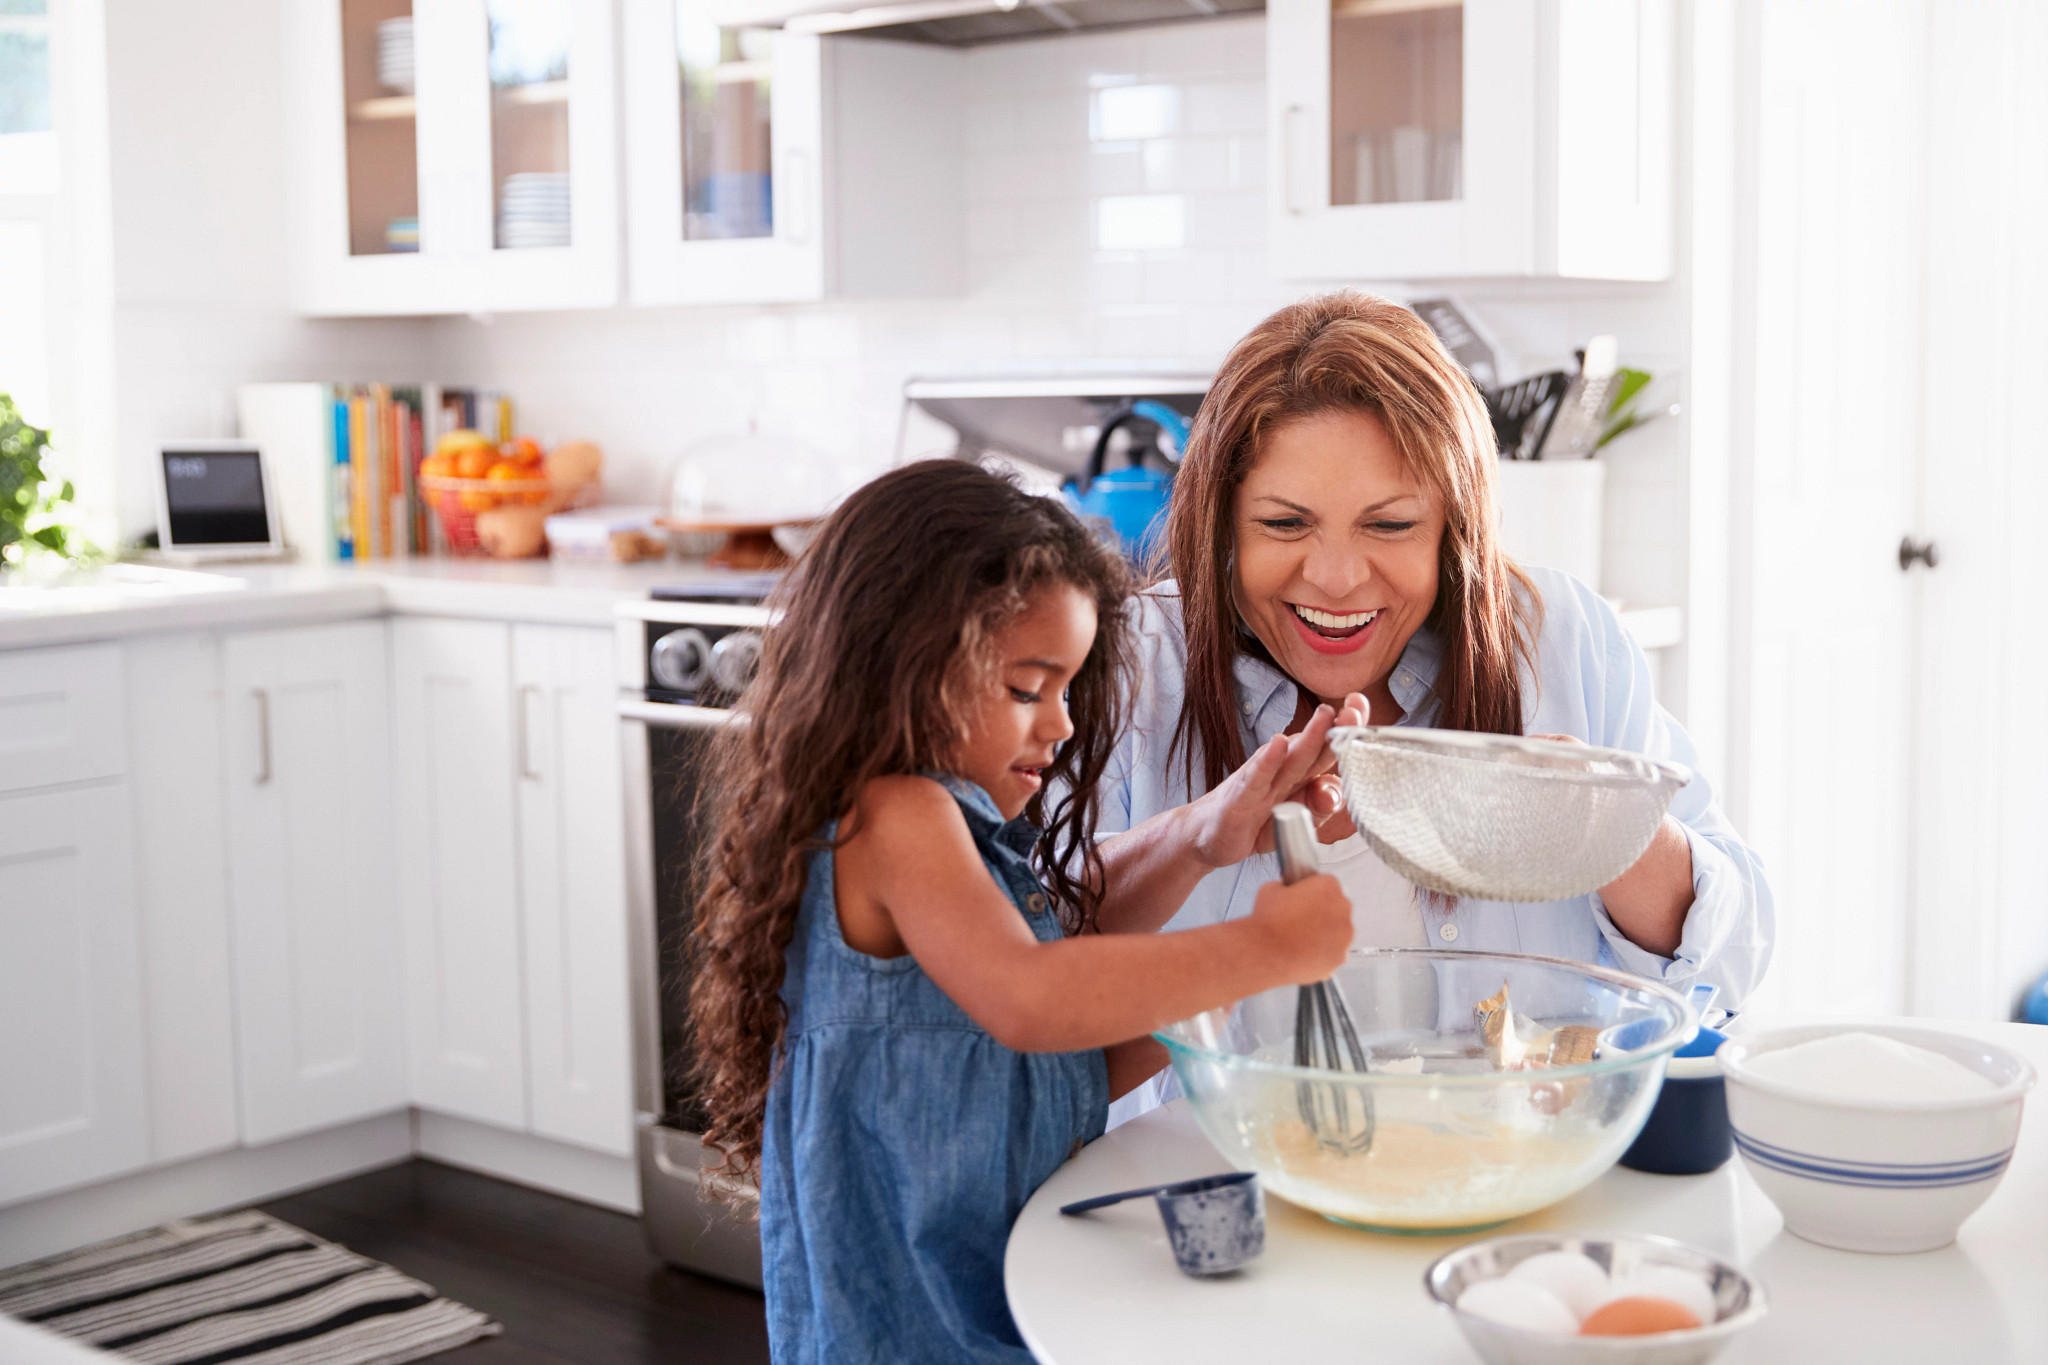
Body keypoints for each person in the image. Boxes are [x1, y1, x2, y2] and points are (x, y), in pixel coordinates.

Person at [687, 460, 1353, 1365]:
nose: (1063, 724)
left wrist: (1207, 848)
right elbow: (1033, 997)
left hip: (1000, 1305)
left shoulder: (955, 839)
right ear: (904, 664)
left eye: (1069, 687)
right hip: (911, 1339)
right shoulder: (898, 816)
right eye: (1026, 687)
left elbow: (1035, 1050)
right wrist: (1264, 949)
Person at [1093, 292, 1775, 1122]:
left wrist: (1614, 832)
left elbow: (1732, 964)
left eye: (1391, 524)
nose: (1338, 578)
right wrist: (1199, 836)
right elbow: (1020, 984)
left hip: (1515, 1185)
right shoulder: (1135, 662)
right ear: (1219, 525)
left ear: (1453, 528)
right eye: (1283, 523)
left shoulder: (1558, 641)